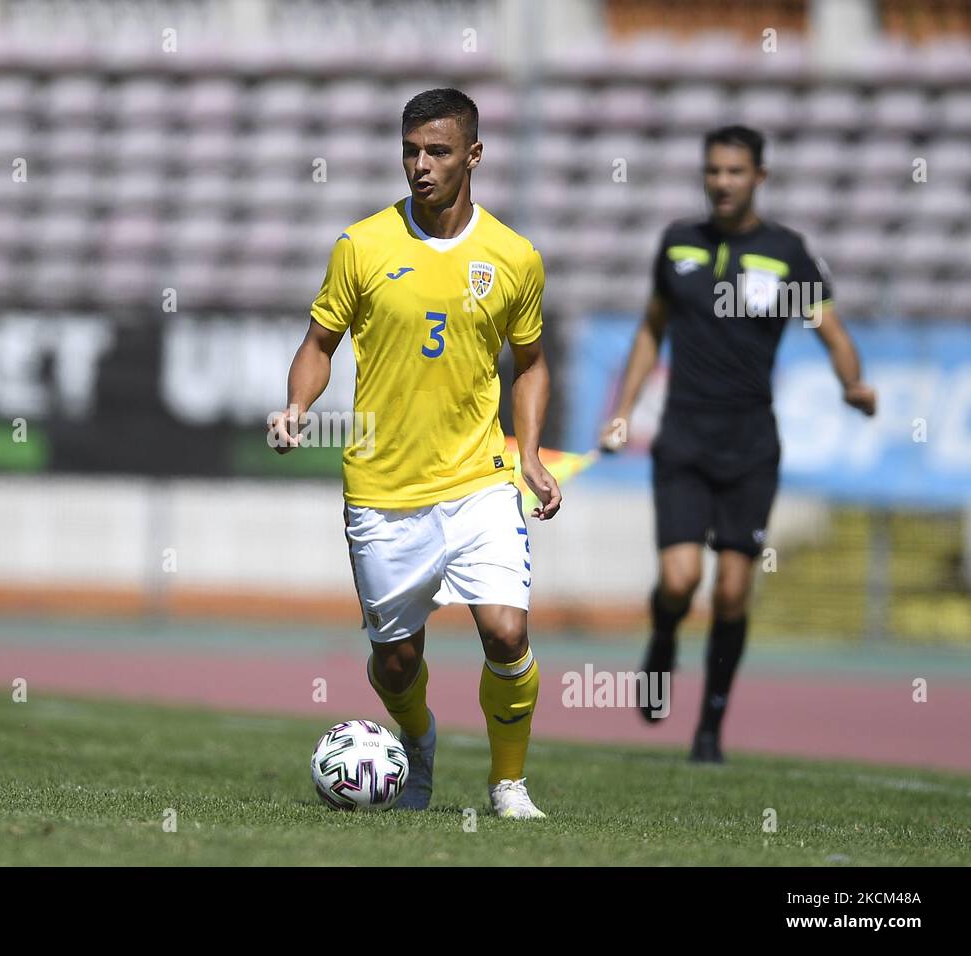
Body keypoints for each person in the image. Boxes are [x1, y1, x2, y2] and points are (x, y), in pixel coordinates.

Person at [269, 88, 561, 817]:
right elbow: (318, 345)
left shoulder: (514, 257)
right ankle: (419, 736)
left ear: (474, 155)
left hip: (478, 481)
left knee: (506, 630)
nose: (421, 166)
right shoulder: (361, 245)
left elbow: (531, 362)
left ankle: (508, 784)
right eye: (410, 151)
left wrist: (528, 455)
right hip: (383, 491)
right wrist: (297, 406)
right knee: (398, 661)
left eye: (437, 151)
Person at [599, 125, 877, 762]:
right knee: (680, 578)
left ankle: (709, 729)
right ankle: (664, 639)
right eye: (713, 171)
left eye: (735, 171)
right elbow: (650, 332)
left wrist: (853, 384)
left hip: (751, 445)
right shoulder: (679, 245)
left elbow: (830, 330)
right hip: (685, 440)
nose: (722, 182)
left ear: (759, 177)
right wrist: (622, 412)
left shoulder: (786, 254)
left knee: (730, 590)